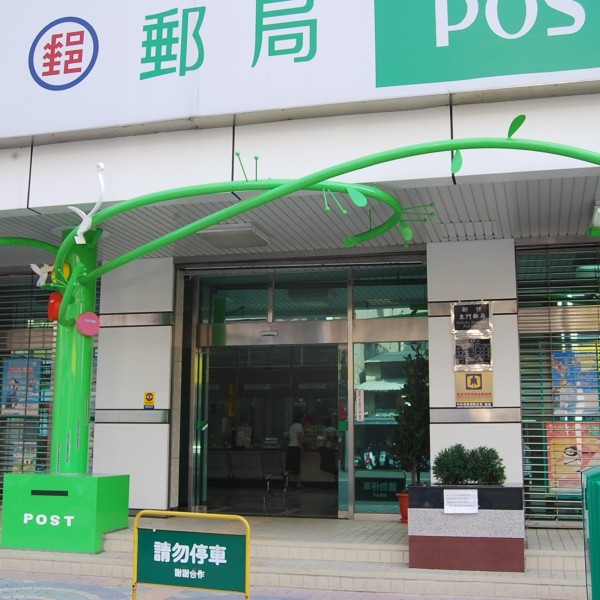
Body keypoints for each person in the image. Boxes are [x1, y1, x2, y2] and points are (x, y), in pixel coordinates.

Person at [286, 412, 304, 488]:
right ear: (300, 418)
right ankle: (298, 483)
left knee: (289, 467)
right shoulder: (299, 426)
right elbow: (299, 438)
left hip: (290, 447)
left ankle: (286, 482)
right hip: (296, 447)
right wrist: (302, 449)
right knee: (296, 466)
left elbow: (288, 436)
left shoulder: (292, 426)